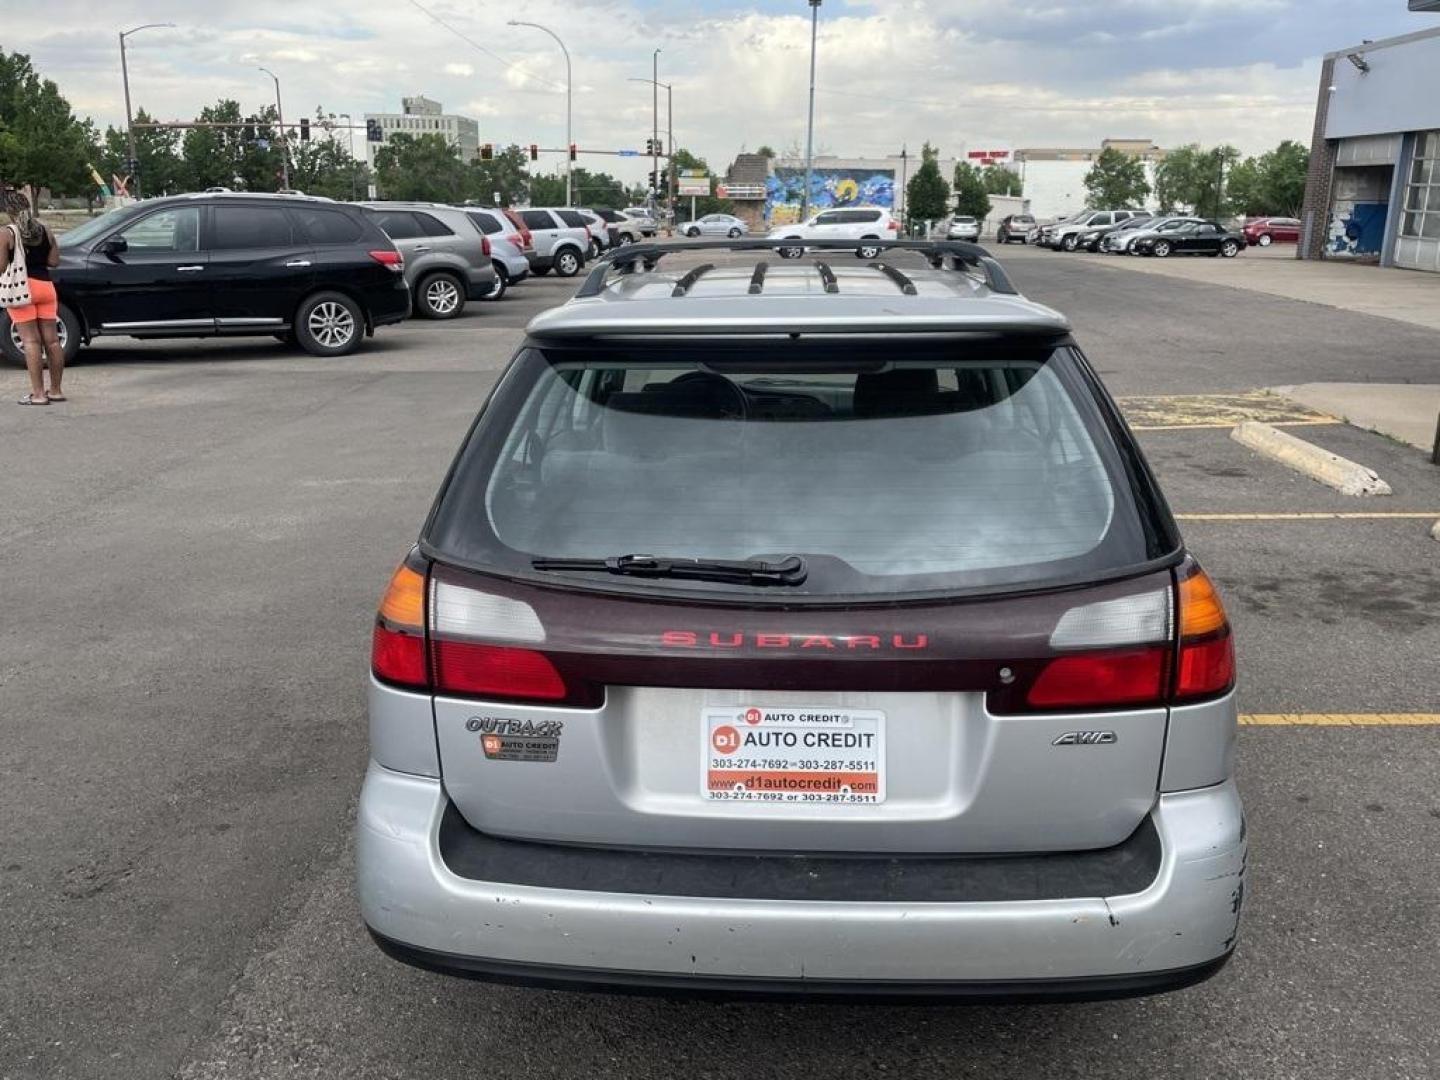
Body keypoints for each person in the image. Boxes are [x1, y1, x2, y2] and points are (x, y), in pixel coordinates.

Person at [1, 187, 64, 405]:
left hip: (21, 289)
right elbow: (54, 262)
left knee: (30, 341)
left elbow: (1, 267)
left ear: (8, 211)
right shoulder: (44, 228)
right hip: (46, 288)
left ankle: (38, 394)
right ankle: (55, 390)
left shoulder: (7, 233)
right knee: (53, 341)